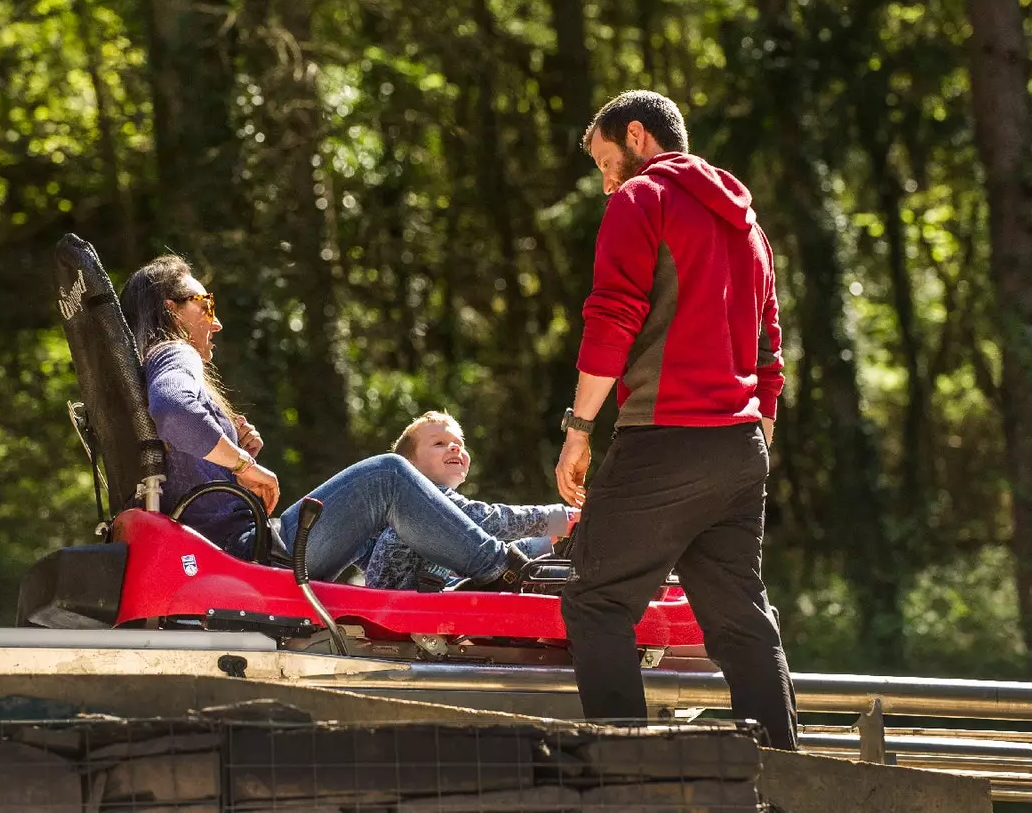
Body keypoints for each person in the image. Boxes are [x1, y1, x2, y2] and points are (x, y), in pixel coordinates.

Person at [554, 90, 799, 750]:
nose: (607, 185)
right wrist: (755, 446)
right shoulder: (749, 226)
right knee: (742, 623)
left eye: (608, 162)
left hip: (666, 438)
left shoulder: (643, 199)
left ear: (637, 135)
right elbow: (768, 350)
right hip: (740, 447)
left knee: (595, 599)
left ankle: (635, 784)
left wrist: (578, 429)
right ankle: (790, 779)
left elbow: (611, 320)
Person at [119, 255, 534, 589]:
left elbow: (183, 440)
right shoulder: (174, 352)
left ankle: (424, 587)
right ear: (171, 310)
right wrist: (244, 466)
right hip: (246, 553)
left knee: (386, 501)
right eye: (205, 304)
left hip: (242, 545)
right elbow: (174, 411)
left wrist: (232, 452)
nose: (216, 320)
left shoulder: (150, 365)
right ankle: (506, 569)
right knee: (387, 476)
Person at [362, 411, 577, 590]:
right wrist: (558, 519)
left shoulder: (437, 503)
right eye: (439, 443)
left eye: (459, 443)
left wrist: (544, 541)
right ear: (409, 467)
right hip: (395, 598)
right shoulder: (424, 498)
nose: (455, 448)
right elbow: (487, 519)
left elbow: (478, 544)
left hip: (421, 591)